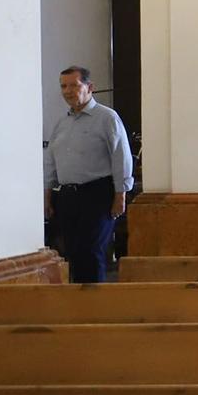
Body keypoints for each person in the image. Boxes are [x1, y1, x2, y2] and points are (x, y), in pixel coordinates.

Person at [44, 66, 134, 283]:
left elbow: (121, 157)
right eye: (63, 86)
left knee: (90, 249)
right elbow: (50, 162)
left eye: (74, 85)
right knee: (73, 251)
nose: (68, 91)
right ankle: (79, 303)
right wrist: (46, 196)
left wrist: (120, 195)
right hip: (67, 196)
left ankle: (94, 305)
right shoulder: (61, 124)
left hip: (97, 193)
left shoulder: (106, 118)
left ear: (89, 87)